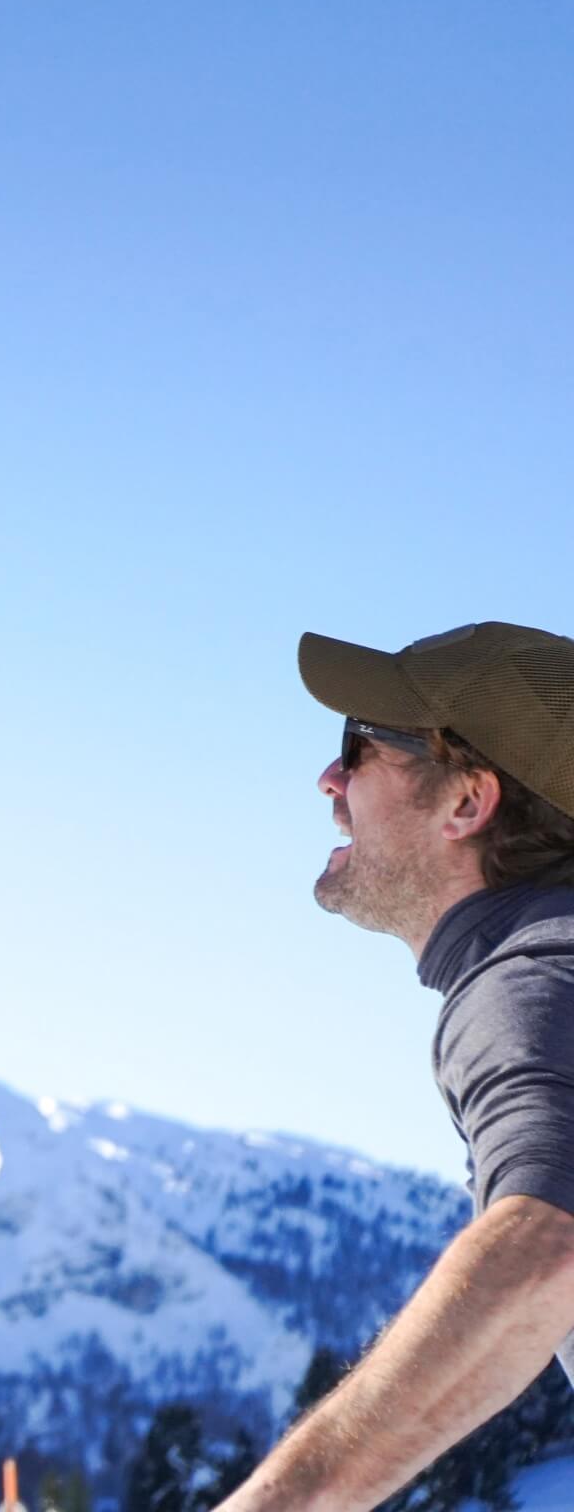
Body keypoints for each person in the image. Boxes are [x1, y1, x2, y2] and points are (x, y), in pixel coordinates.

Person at [216, 622, 574, 1510]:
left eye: (360, 748)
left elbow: (545, 1247)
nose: (330, 782)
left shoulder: (530, 981)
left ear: (466, 805)